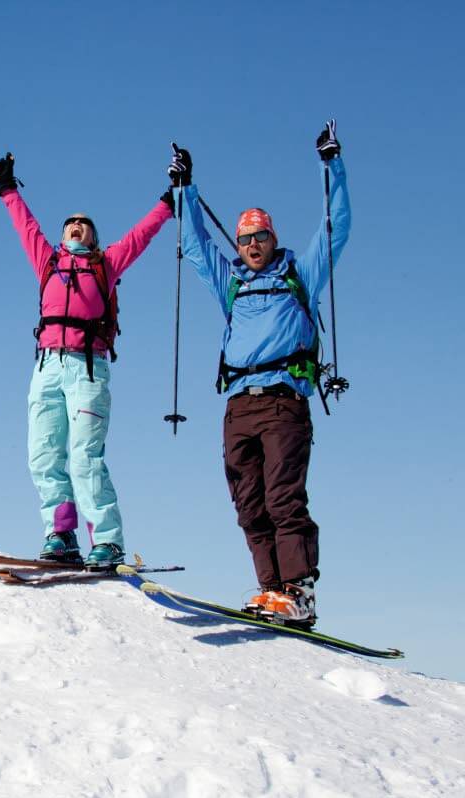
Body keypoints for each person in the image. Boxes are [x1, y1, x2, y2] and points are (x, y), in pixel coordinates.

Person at [171, 120, 350, 624]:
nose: (251, 244)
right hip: (238, 407)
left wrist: (332, 165)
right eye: (246, 237)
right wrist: (185, 188)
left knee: (283, 495)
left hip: (283, 402)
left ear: (274, 238)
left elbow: (337, 224)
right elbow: (195, 246)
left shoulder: (299, 274)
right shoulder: (232, 284)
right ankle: (271, 589)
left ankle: (299, 590)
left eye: (260, 236)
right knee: (248, 501)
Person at [0, 153, 173, 568]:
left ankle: (107, 540)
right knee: (43, 454)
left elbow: (140, 235)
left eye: (84, 223)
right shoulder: (48, 262)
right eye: (70, 223)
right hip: (46, 367)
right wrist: (7, 189)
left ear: (92, 236)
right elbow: (26, 226)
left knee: (85, 455)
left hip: (87, 368)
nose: (76, 225)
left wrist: (167, 203)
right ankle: (61, 533)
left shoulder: (106, 264)